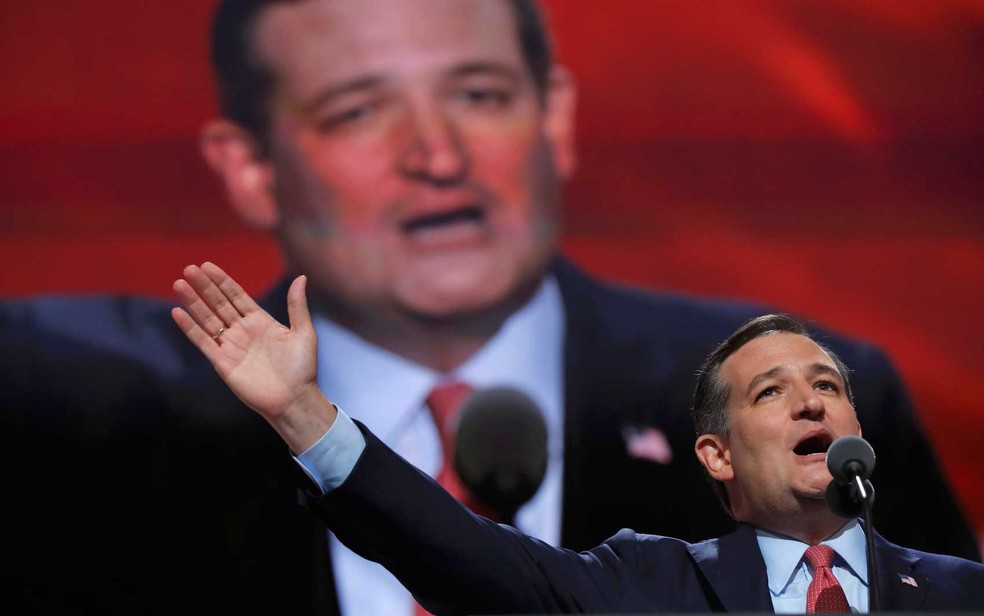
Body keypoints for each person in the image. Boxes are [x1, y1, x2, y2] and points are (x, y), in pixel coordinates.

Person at [0, 0, 978, 613]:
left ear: (552, 119)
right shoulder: (60, 408)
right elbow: (456, 556)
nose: (437, 155)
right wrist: (302, 416)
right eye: (358, 110)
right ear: (250, 168)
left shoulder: (945, 577)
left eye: (476, 92)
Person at [170, 266, 984, 613]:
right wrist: (303, 412)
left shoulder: (961, 594)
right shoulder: (647, 584)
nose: (812, 404)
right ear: (717, 456)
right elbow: (455, 553)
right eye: (772, 393)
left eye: (828, 388)